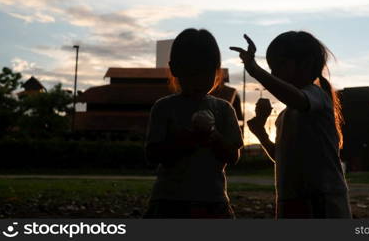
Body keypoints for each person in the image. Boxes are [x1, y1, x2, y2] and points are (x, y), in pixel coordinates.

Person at [230, 31, 351, 218]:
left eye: (279, 65)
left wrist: (254, 70)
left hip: (322, 200)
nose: (274, 73)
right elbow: (281, 157)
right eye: (271, 68)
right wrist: (260, 133)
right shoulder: (286, 114)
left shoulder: (316, 96)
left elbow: (297, 98)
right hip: (292, 199)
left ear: (306, 64)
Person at [144, 28, 243, 218]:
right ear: (174, 69)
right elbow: (152, 154)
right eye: (191, 73)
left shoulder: (224, 109)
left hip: (213, 199)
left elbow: (233, 156)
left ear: (216, 71)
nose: (198, 80)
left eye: (205, 73)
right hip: (169, 200)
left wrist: (214, 138)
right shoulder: (164, 108)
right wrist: (182, 141)